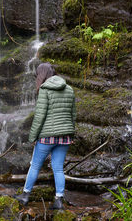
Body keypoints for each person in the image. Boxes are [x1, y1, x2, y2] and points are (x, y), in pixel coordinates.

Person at [14, 62, 76, 210]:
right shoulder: (69, 89)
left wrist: (33, 137)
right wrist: (70, 134)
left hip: (47, 136)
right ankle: (59, 200)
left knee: (35, 166)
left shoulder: (44, 89)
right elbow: (73, 115)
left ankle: (25, 196)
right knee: (58, 168)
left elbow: (40, 116)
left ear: (41, 75)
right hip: (65, 136)